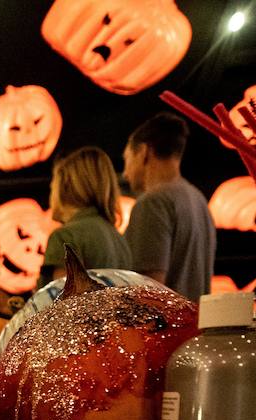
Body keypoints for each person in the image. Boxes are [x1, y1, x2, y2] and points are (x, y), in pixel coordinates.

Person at [122, 112, 216, 301]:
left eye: (127, 159)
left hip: (166, 329)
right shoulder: (198, 199)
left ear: (143, 152)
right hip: (197, 325)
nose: (125, 173)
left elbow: (148, 289)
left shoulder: (153, 202)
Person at [42, 146, 132, 284]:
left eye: (52, 186)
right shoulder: (119, 239)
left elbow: (61, 300)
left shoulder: (65, 237)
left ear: (65, 186)